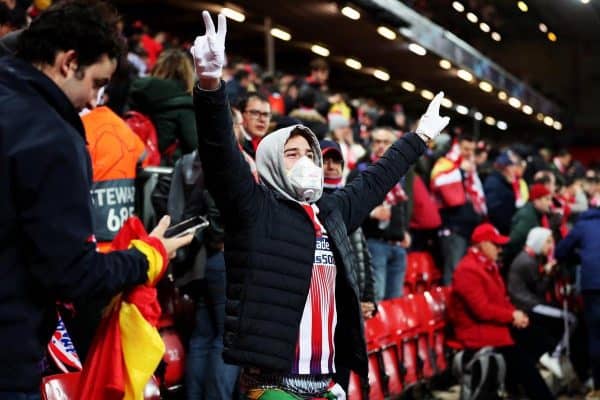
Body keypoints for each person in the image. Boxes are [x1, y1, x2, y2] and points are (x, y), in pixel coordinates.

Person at [190, 11, 449, 398]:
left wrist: (420, 136)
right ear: (271, 162)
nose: (308, 162)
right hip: (273, 386)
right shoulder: (253, 208)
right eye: (292, 154)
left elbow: (377, 179)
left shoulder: (331, 212)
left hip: (324, 383)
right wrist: (211, 85)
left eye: (310, 153)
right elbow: (219, 154)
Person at [0, 1, 193, 396]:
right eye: (96, 83)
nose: (93, 101)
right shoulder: (52, 136)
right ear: (69, 62)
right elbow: (72, 275)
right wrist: (148, 256)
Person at [449, 223, 555, 399]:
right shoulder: (467, 270)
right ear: (482, 244)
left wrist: (516, 315)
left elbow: (501, 300)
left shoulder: (488, 266)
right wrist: (511, 315)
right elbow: (481, 310)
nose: (499, 249)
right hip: (478, 333)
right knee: (525, 366)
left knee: (538, 336)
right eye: (495, 245)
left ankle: (516, 388)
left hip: (493, 327)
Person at [349, 127, 412, 300]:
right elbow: (348, 203)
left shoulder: (399, 170)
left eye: (386, 142)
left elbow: (404, 205)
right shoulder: (361, 170)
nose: (381, 146)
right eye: (377, 141)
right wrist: (371, 212)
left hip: (397, 244)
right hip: (374, 242)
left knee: (395, 301)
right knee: (376, 298)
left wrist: (404, 230)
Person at [508, 227, 576, 379]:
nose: (551, 246)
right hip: (529, 303)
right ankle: (554, 355)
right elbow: (538, 289)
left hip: (530, 301)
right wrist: (546, 273)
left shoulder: (529, 258)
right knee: (570, 319)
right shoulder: (527, 261)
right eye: (548, 242)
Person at [555, 206, 600, 399]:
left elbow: (560, 252)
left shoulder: (581, 225)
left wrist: (580, 258)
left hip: (592, 286)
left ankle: (598, 385)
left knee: (596, 335)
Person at [431, 132, 486, 283]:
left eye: (471, 150)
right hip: (452, 229)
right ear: (457, 146)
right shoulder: (445, 163)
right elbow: (442, 187)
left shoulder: (471, 169)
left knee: (462, 272)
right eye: (465, 148)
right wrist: (460, 171)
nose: (469, 153)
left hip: (466, 230)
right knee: (453, 271)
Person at [128, 48, 197, 165]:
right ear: (187, 73)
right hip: (163, 172)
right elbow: (194, 145)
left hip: (132, 161)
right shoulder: (185, 103)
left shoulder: (137, 92)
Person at [504, 183, 553, 267]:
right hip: (520, 263)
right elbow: (514, 241)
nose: (550, 203)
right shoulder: (528, 218)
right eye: (547, 199)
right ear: (536, 200)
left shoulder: (538, 214)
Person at [484, 150, 520, 235]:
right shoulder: (494, 183)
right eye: (512, 166)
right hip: (499, 231)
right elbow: (494, 211)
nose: (514, 169)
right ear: (505, 167)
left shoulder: (505, 182)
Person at [237, 92, 272, 159]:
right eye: (255, 113)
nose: (262, 119)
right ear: (241, 114)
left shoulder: (269, 144)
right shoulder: (234, 144)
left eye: (266, 114)